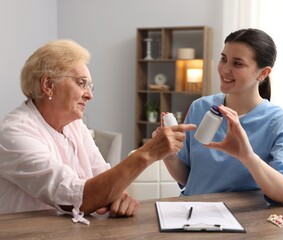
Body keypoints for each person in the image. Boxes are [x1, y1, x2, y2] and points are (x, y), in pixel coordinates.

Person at [0, 39, 195, 223]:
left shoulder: (75, 125)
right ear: (49, 85)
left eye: (90, 86)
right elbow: (77, 198)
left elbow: (102, 179)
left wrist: (117, 195)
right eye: (81, 83)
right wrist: (149, 152)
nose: (90, 95)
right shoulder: (14, 133)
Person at [160, 28, 283, 205]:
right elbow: (188, 178)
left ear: (263, 73)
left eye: (237, 63)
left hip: (244, 221)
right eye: (223, 59)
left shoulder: (281, 122)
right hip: (191, 212)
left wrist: (247, 157)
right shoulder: (200, 107)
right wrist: (168, 154)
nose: (225, 69)